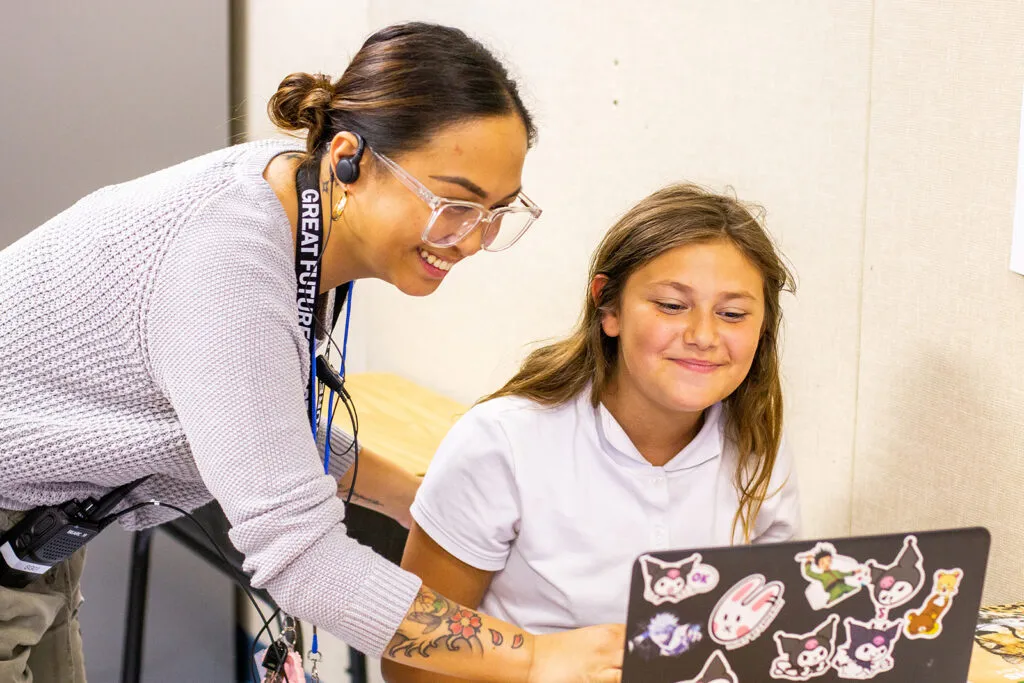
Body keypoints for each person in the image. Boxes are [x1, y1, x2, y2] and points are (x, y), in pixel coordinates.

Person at [0, 22, 624, 683]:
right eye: (454, 203)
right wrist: (535, 657)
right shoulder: (230, 261)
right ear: (350, 157)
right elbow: (303, 563)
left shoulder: (293, 192)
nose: (471, 240)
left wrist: (412, 493)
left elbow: (256, 422)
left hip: (34, 535)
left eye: (498, 211)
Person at [384, 183, 802, 682]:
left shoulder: (759, 448)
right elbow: (411, 665)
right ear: (609, 308)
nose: (704, 336)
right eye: (671, 305)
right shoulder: (502, 443)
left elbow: (768, 635)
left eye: (732, 314)